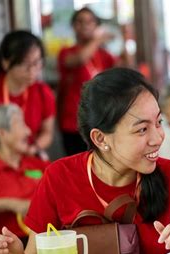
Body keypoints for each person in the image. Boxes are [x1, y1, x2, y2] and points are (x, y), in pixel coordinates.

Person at [0, 68, 170, 254]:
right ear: (100, 138)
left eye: (159, 122)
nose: (158, 137)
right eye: (142, 129)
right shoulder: (59, 177)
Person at [57, 7, 115, 156]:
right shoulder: (66, 52)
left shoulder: (104, 55)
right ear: (73, 26)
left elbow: (122, 72)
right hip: (73, 123)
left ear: (96, 25)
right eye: (80, 22)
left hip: (100, 120)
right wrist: (98, 39)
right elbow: (80, 59)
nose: (85, 26)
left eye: (90, 22)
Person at [0, 31, 56, 159]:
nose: (33, 70)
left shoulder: (43, 92)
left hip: (29, 155)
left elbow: (47, 133)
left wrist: (33, 148)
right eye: (25, 64)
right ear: (5, 63)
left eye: (37, 62)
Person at [0, 105, 49, 240]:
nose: (28, 131)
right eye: (20, 124)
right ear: (2, 133)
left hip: (46, 238)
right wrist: (12, 204)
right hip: (8, 246)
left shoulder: (36, 163)